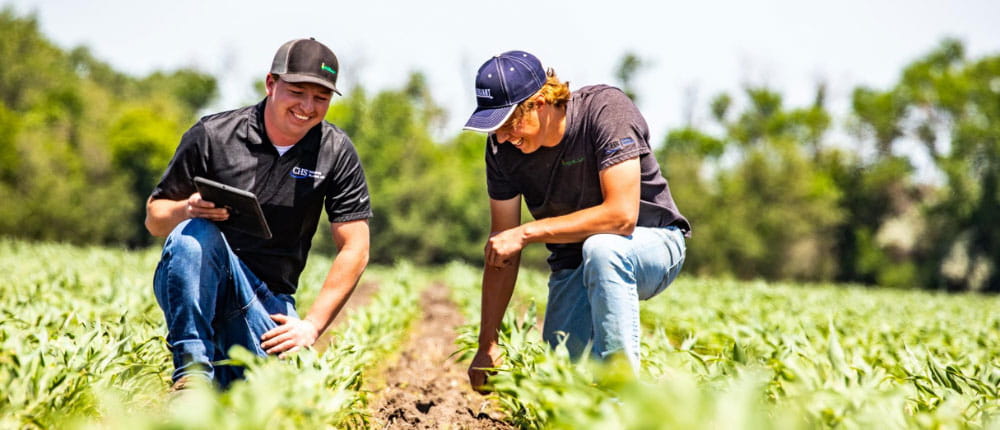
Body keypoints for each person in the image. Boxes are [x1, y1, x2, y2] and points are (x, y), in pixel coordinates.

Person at [145, 38, 372, 390]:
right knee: (195, 236)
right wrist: (186, 208)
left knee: (288, 400)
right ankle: (191, 374)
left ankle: (222, 374)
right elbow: (155, 217)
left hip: (269, 304)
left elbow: (355, 246)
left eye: (321, 98)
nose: (307, 107)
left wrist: (311, 326)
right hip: (201, 283)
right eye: (297, 91)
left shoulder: (335, 151)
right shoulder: (213, 135)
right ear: (271, 83)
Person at [463, 51, 690, 389]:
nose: (502, 137)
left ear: (539, 102)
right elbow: (502, 248)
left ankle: (622, 397)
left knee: (604, 251)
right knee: (562, 386)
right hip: (574, 264)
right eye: (495, 128)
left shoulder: (605, 111)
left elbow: (621, 217)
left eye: (509, 123)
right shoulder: (502, 151)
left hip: (652, 242)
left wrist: (526, 232)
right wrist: (487, 346)